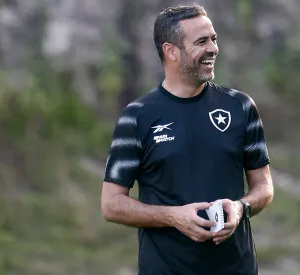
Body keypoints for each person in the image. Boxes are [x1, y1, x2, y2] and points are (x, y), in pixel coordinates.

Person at [101, 3, 274, 275]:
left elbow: (264, 187)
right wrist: (173, 216)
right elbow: (111, 205)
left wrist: (241, 208)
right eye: (201, 41)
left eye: (214, 39)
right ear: (171, 51)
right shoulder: (137, 117)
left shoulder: (240, 107)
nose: (213, 49)